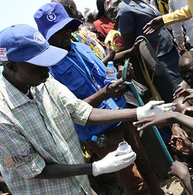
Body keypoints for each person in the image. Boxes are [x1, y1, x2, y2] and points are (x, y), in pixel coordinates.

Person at [34, 3, 168, 195]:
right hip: (99, 133)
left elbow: (105, 76)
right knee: (134, 181)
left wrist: (120, 76)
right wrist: (105, 93)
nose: (65, 34)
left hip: (120, 115)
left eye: (66, 28)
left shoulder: (81, 47)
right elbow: (71, 110)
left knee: (145, 164)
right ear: (46, 37)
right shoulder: (48, 72)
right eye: (58, 32)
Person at [0, 24, 138, 195]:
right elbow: (36, 170)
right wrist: (95, 167)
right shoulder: (3, 116)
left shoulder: (44, 83)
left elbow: (81, 111)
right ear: (12, 67)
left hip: (80, 186)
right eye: (39, 64)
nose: (47, 70)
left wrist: (138, 113)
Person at [105, 0, 183, 103]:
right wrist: (142, 81)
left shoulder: (142, 2)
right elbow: (131, 49)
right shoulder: (124, 10)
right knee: (176, 96)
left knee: (185, 88)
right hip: (159, 61)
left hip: (171, 52)